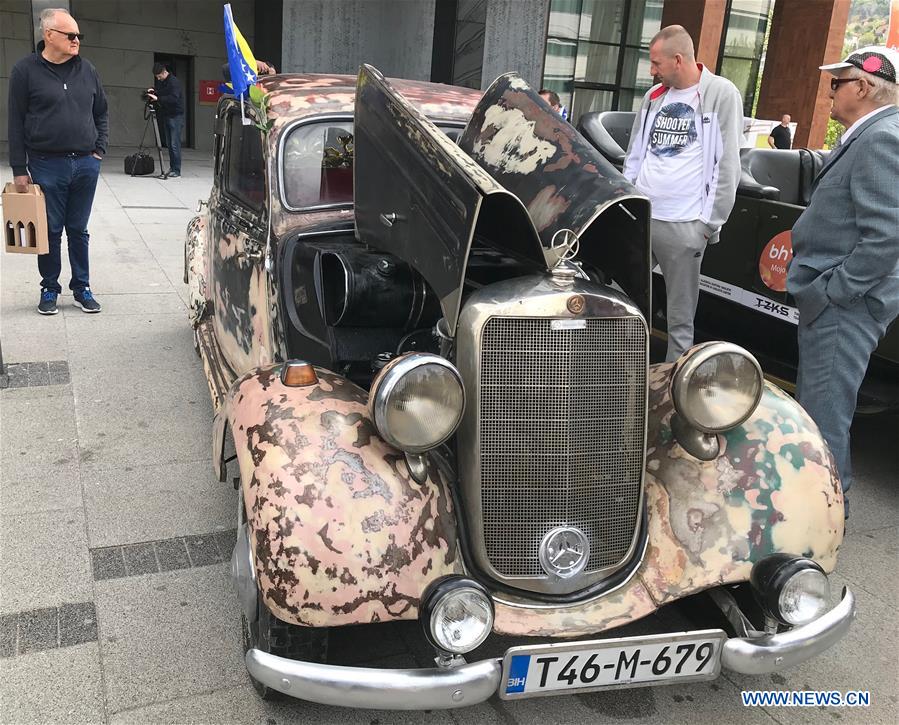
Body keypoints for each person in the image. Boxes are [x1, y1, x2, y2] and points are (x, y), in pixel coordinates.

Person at [788, 46, 899, 519]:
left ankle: (824, 516)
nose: (830, 91)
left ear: (864, 86)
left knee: (824, 412)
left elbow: (887, 234)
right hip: (843, 300)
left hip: (844, 304)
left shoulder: (880, 138)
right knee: (822, 404)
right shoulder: (874, 135)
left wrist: (833, 290)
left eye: (837, 83)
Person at [622, 25, 743, 361]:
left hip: (685, 224)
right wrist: (626, 202)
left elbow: (727, 163)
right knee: (620, 300)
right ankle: (616, 372)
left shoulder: (721, 93)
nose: (652, 70)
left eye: (656, 62)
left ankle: (672, 396)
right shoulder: (653, 96)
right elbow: (635, 153)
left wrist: (707, 224)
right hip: (643, 217)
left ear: (678, 60)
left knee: (679, 318)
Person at [7, 7, 107, 315]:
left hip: (85, 164)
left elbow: (101, 111)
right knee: (49, 230)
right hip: (45, 164)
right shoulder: (25, 71)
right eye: (71, 35)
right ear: (49, 35)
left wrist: (99, 149)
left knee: (78, 229)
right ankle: (49, 288)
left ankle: (82, 287)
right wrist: (19, 169)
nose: (77, 40)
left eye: (79, 35)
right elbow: (15, 121)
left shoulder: (88, 69)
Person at [147, 62, 184, 178]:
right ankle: (172, 168)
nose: (158, 78)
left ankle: (176, 170)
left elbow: (173, 98)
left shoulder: (174, 82)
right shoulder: (163, 82)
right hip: (167, 115)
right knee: (169, 143)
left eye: (159, 76)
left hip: (176, 116)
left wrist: (158, 98)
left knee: (174, 144)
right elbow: (161, 91)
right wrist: (153, 91)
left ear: (164, 72)